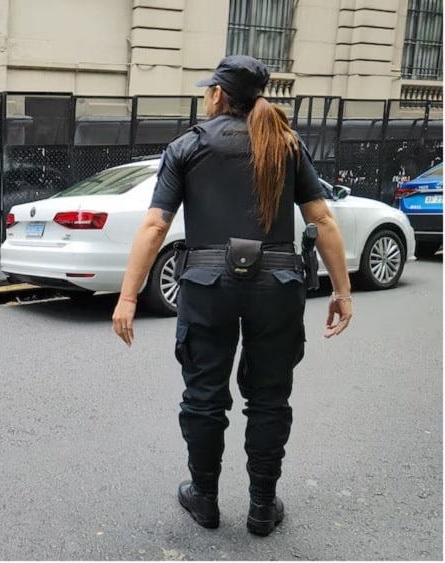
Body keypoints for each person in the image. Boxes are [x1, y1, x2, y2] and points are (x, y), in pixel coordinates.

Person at [110, 55, 353, 536]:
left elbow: (155, 225)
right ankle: (262, 507)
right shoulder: (287, 144)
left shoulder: (188, 146)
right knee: (269, 398)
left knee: (204, 397)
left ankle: (204, 499)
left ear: (218, 94)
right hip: (277, 285)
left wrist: (128, 296)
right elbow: (322, 219)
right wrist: (342, 291)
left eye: (209, 90)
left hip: (207, 284)